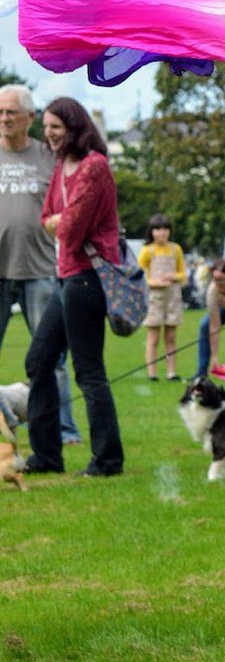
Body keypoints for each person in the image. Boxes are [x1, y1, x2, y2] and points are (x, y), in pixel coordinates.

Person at [22, 98, 124, 477]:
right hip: (66, 274)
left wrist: (59, 221)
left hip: (88, 276)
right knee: (38, 361)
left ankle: (108, 459)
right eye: (46, 127)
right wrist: (59, 220)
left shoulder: (94, 166)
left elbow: (69, 229)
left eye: (56, 128)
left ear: (75, 128)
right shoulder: (61, 167)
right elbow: (46, 216)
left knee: (88, 369)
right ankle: (46, 456)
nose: (48, 134)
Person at [0, 84, 80, 444]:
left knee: (54, 360)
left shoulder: (49, 157)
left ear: (30, 118)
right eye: (0, 112)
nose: (3, 119)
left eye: (11, 112)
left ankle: (64, 431)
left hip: (42, 271)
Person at [138, 213, 186, 381]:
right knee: (153, 337)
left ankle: (171, 371)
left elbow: (183, 274)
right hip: (154, 297)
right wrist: (154, 282)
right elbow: (139, 276)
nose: (162, 233)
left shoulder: (176, 249)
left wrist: (174, 276)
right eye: (158, 229)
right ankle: (152, 373)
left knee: (171, 336)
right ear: (151, 231)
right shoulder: (147, 251)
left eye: (165, 229)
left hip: (172, 296)